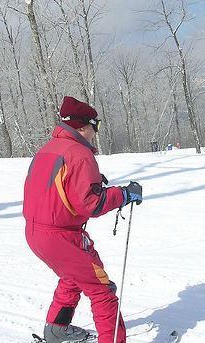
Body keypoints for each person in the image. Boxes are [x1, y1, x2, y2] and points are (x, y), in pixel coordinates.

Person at [23, 96, 143, 343]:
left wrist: (93, 181)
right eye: (95, 126)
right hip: (61, 236)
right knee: (102, 291)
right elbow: (92, 204)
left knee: (73, 276)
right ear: (82, 126)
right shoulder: (78, 153)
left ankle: (57, 329)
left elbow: (53, 190)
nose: (95, 132)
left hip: (36, 234)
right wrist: (124, 194)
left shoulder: (47, 149)